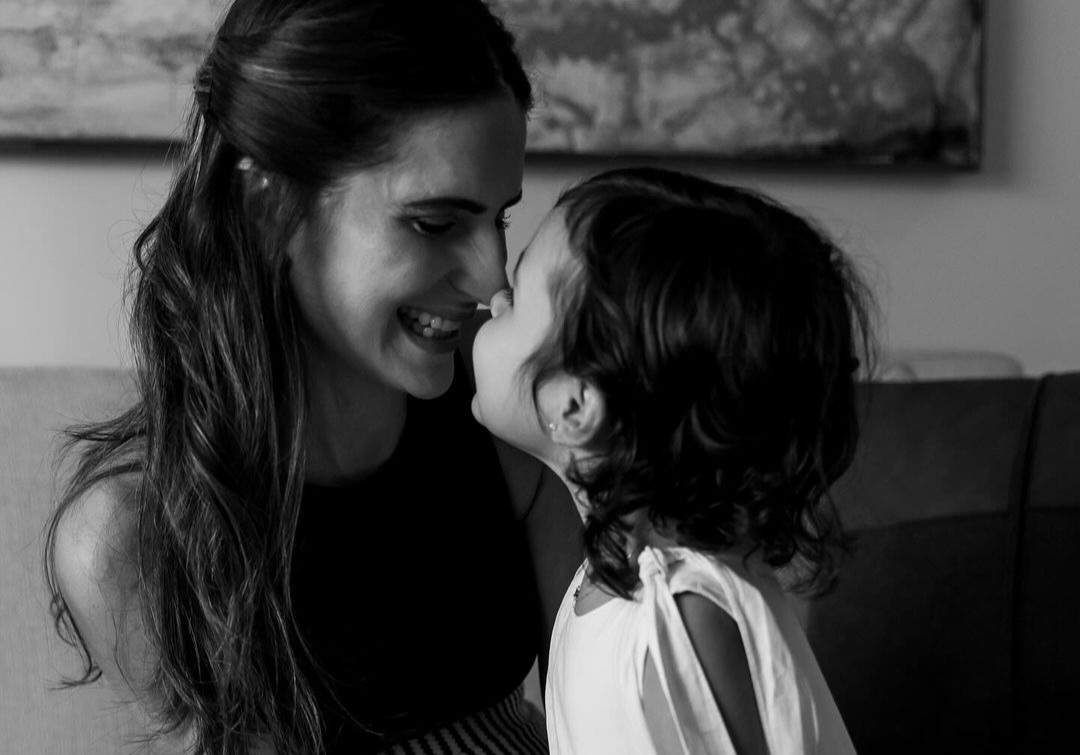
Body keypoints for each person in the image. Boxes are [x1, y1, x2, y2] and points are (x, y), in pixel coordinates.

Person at [43, 1, 582, 753]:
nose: (493, 277)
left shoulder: (505, 408)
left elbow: (607, 712)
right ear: (271, 206)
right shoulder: (129, 542)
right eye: (435, 223)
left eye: (499, 219)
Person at [470, 166, 873, 754]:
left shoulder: (680, 619)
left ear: (574, 404)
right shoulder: (614, 578)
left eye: (518, 297)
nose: (495, 297)